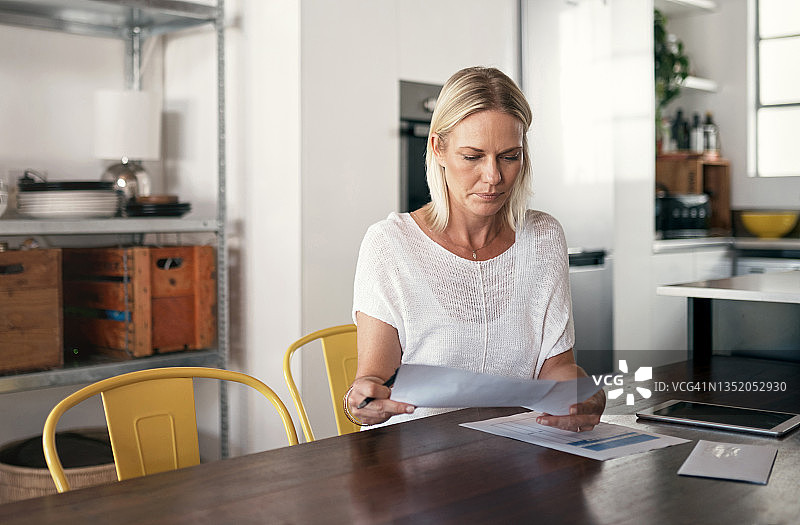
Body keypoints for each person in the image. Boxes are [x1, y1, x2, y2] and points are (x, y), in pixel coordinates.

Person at [345, 66, 605, 431]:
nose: (493, 177)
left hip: (518, 452)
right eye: (472, 156)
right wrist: (363, 401)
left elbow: (555, 364)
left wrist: (580, 392)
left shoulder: (544, 237)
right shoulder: (390, 245)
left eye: (509, 156)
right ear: (438, 148)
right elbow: (374, 380)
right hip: (413, 461)